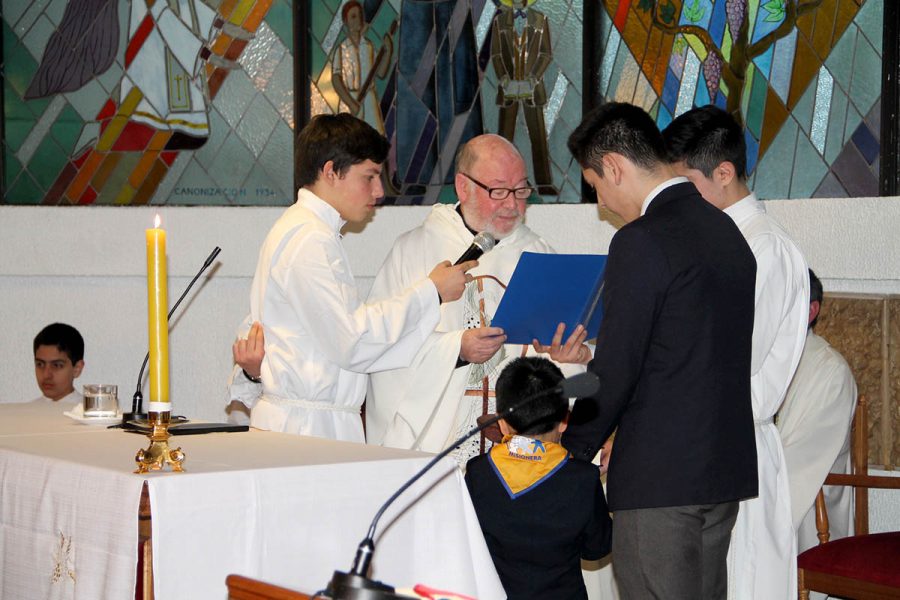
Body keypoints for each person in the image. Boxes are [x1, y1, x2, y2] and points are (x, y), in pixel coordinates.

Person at [545, 102, 758, 598]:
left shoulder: (641, 240)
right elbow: (690, 355)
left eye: (595, 184)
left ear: (614, 167)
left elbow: (618, 369)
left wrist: (571, 452)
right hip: (719, 470)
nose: (600, 202)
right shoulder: (726, 230)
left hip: (660, 480)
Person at [228, 113, 474, 442]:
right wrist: (432, 292)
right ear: (331, 172)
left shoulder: (309, 231)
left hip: (309, 423)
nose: (379, 191)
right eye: (369, 177)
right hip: (306, 431)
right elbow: (353, 340)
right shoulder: (309, 239)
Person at [663, 104, 810, 600]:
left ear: (723, 173)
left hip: (735, 443)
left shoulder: (762, 248)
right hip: (705, 443)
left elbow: (730, 359)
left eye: (687, 185)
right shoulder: (718, 241)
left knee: (738, 583)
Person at [365, 133, 585, 462]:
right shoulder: (414, 252)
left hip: (516, 455)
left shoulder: (538, 254)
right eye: (498, 191)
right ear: (463, 186)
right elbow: (379, 345)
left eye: (521, 190)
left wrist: (570, 358)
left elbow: (559, 358)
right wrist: (456, 349)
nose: (513, 204)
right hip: (437, 444)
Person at [464, 357, 611, 599]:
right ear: (564, 420)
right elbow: (596, 549)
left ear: (501, 422)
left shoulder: (478, 472)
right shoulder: (582, 479)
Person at [777, 268, 857, 553]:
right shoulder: (755, 363)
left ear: (812, 310)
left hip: (810, 515)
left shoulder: (830, 373)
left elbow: (798, 463)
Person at [33, 323, 84, 404]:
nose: (46, 375)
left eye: (56, 365)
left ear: (77, 369)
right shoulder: (25, 412)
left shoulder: (91, 413)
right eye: (40, 364)